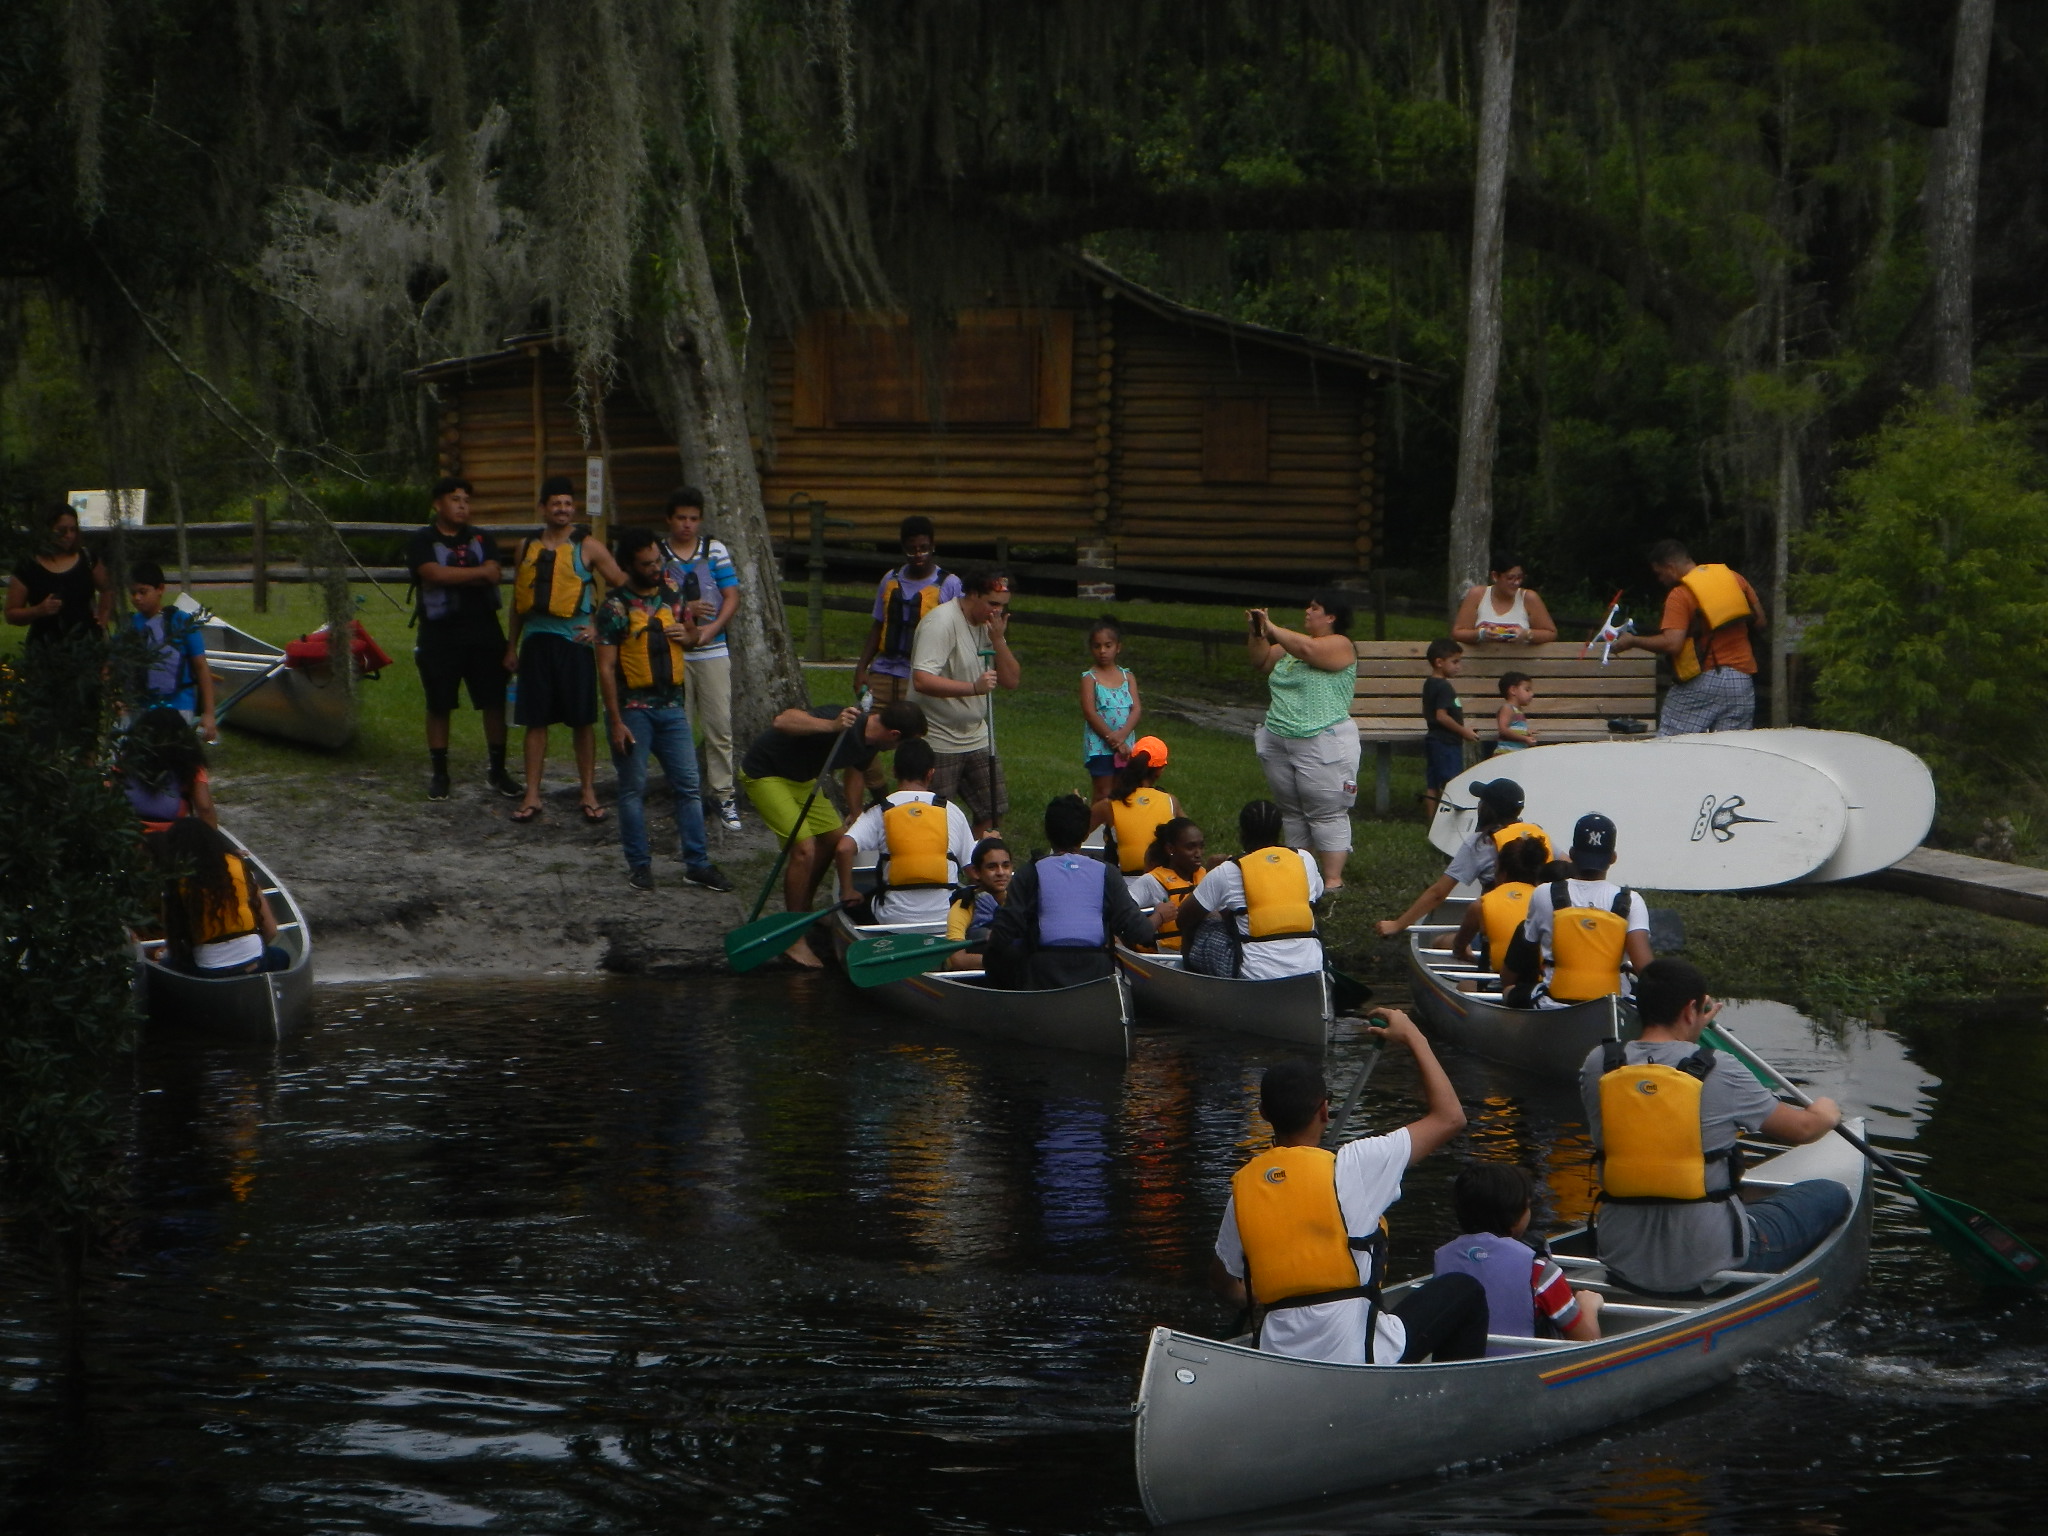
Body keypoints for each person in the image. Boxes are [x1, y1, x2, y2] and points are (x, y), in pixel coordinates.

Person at [1210, 1024, 1485, 1366]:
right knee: (1465, 1289)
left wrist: (1255, 1298)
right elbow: (1450, 1117)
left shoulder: (1244, 1189)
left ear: (1263, 1115)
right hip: (1357, 1355)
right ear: (1325, 1111)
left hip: (1278, 1357)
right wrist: (1415, 1036)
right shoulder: (1354, 1165)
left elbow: (1224, 1282)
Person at [1581, 959, 1850, 1295]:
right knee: (1833, 1194)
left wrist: (1690, 1026)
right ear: (1692, 1009)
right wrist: (1827, 1111)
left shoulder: (1600, 1064)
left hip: (1621, 1256)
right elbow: (1803, 1129)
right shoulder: (1719, 1068)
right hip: (1709, 1263)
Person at [594, 526, 733, 895]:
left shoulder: (671, 594)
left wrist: (685, 635)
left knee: (688, 786)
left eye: (658, 560)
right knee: (632, 789)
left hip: (672, 708)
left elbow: (692, 636)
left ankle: (697, 864)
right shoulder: (613, 608)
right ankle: (639, 866)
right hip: (632, 710)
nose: (657, 568)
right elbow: (606, 668)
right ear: (630, 566)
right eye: (648, 564)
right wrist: (617, 722)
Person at [738, 698, 927, 968]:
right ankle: (794, 938)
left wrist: (855, 812)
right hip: (766, 774)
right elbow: (783, 720)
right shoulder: (842, 717)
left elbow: (855, 774)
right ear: (894, 735)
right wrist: (830, 725)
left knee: (835, 839)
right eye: (900, 744)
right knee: (804, 849)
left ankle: (803, 909)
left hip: (803, 783)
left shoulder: (871, 743)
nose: (895, 750)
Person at [505, 475, 629, 824]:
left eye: (567, 503)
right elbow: (518, 601)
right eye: (555, 503)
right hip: (536, 643)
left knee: (582, 720)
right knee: (534, 720)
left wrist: (599, 626)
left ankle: (587, 791)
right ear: (543, 507)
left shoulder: (587, 546)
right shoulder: (525, 546)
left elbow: (622, 586)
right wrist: (511, 645)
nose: (562, 509)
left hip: (573, 643)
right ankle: (532, 794)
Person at [406, 476, 519, 801]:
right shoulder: (422, 540)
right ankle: (440, 774)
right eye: (455, 499)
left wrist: (463, 577)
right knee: (439, 703)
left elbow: (494, 573)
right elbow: (433, 574)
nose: (462, 506)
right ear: (437, 504)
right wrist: (476, 574)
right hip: (439, 633)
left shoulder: (483, 537)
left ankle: (497, 771)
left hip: (484, 631)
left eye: (466, 500)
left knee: (494, 700)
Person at [984, 794, 1158, 990]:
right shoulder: (1107, 873)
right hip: (1095, 973)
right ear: (1086, 834)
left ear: (1047, 832)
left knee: (994, 954)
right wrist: (1157, 917)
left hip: (1043, 974)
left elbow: (1005, 932)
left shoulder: (1030, 873)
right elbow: (1140, 932)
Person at [1248, 594, 1361, 895]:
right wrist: (1258, 632)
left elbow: (1310, 649)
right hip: (1279, 736)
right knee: (1292, 809)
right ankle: (1301, 873)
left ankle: (1333, 880)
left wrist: (1272, 628)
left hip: (1323, 738)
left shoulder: (1341, 645)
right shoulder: (1288, 649)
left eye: (1315, 608)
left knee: (1326, 809)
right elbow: (1260, 660)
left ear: (1331, 617)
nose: (1307, 612)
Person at [1433, 1162, 1602, 1349]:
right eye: (1527, 1206)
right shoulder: (1539, 1270)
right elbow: (1588, 1341)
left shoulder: (1443, 1260)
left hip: (1459, 1370)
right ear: (1515, 1218)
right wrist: (1588, 1305)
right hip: (1525, 1372)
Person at [1609, 539, 1766, 736]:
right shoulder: (1734, 579)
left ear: (1670, 567)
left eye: (1659, 573)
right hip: (1741, 680)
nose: (1660, 579)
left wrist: (1633, 641)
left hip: (1705, 678)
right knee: (1730, 751)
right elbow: (1760, 621)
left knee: (1672, 744)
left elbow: (1672, 643)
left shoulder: (1681, 595)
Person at [657, 488, 744, 831]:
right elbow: (652, 598)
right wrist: (683, 609)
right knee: (678, 725)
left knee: (719, 725)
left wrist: (713, 629)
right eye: (681, 518)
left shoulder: (715, 550)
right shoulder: (660, 554)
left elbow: (731, 596)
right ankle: (684, 795)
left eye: (693, 518)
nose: (687, 525)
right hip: (674, 648)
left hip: (712, 648)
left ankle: (724, 795)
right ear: (670, 519)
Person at [911, 568, 1020, 834]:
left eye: (1003, 606)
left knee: (992, 811)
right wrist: (973, 688)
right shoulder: (941, 623)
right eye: (992, 603)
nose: (996, 612)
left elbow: (1011, 680)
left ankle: (977, 867)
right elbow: (922, 679)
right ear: (972, 594)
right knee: (936, 817)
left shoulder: (989, 626)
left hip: (976, 736)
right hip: (938, 736)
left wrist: (998, 640)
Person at [1375, 778, 1549, 938]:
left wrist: (1398, 924)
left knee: (1441, 942)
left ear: (1487, 808)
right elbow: (1565, 866)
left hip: (1497, 929)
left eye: (1482, 801)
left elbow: (1438, 893)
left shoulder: (1479, 844)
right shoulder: (1536, 835)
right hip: (1537, 928)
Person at [1513, 813, 1653, 1008]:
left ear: (1572, 853)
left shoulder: (1544, 893)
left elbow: (1527, 949)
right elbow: (1644, 967)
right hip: (1611, 1007)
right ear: (1613, 858)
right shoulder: (1631, 901)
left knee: (1510, 991)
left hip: (1553, 1003)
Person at [1177, 800, 1324, 981]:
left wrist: (1210, 874)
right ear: (1279, 831)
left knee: (1202, 922)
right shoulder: (1305, 859)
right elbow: (1316, 900)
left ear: (1242, 834)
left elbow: (1183, 918)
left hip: (1254, 975)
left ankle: (1195, 987)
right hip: (1310, 968)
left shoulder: (1228, 870)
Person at [836, 738, 976, 927]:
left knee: (860, 902)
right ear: (930, 773)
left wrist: (847, 891)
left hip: (894, 920)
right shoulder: (951, 811)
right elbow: (972, 871)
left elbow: (844, 849)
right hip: (947, 920)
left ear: (894, 772)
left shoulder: (881, 810)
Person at [159, 816, 288, 976]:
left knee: (166, 963)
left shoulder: (177, 879)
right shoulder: (237, 865)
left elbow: (175, 942)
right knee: (281, 956)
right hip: (256, 961)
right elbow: (271, 931)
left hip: (209, 968)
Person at [124, 561, 217, 742]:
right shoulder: (129, 626)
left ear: (160, 589)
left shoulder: (181, 622)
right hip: (140, 705)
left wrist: (209, 714)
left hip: (179, 704)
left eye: (143, 592)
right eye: (133, 593)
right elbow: (116, 665)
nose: (137, 598)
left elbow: (201, 667)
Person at [7, 504, 109, 644]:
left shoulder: (87, 558)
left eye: (73, 530)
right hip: (45, 649)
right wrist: (38, 610)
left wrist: (103, 617)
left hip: (87, 647)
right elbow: (11, 613)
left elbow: (108, 588)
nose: (69, 536)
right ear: (46, 530)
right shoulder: (28, 565)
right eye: (61, 530)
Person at [1449, 833, 1548, 971]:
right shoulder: (1549, 902)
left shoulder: (1480, 905)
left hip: (1498, 978)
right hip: (1538, 980)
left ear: (1503, 873)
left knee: (1463, 983)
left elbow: (1459, 948)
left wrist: (1469, 958)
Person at [1089, 738, 1181, 884]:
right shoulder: (1171, 801)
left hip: (1122, 884)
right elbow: (1189, 835)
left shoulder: (1109, 804)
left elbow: (1075, 835)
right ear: (1159, 771)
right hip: (1164, 882)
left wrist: (1077, 810)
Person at [120, 705, 218, 833]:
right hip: (168, 838)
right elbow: (205, 809)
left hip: (128, 834)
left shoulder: (128, 759)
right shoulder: (191, 764)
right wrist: (216, 846)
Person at [1080, 617, 1142, 803]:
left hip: (1126, 744)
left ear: (1118, 647)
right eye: (1097, 646)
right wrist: (1113, 739)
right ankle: (1097, 830)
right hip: (1100, 746)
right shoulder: (1090, 678)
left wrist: (1123, 735)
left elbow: (1136, 708)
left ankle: (1117, 829)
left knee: (1123, 789)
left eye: (1108, 645)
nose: (1102, 651)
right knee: (1103, 791)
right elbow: (1090, 712)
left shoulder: (1127, 676)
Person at [1421, 638, 1483, 817]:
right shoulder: (1444, 687)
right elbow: (1442, 716)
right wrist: (1464, 731)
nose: (1459, 666)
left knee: (1432, 784)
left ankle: (1431, 821)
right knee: (1452, 782)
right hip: (1446, 742)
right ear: (1439, 662)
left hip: (1434, 739)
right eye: (1455, 662)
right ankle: (1448, 820)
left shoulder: (1430, 683)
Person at [1128, 816, 1206, 952]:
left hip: (1203, 954)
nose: (1198, 853)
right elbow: (1121, 915)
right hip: (1170, 959)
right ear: (1170, 848)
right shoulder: (1152, 881)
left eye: (1201, 846)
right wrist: (1158, 917)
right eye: (1190, 847)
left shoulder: (1206, 877)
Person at [1450, 553, 1559, 647]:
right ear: (1495, 576)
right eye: (1510, 578)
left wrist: (1527, 634)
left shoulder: (1528, 598)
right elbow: (1458, 632)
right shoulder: (1477, 595)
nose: (1516, 583)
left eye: (1519, 578)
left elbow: (1551, 633)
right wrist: (1480, 634)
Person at [944, 836, 1013, 970]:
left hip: (1011, 975)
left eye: (1006, 865)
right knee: (980, 934)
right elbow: (957, 959)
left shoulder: (1019, 901)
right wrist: (1007, 962)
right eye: (992, 867)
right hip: (979, 977)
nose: (1000, 872)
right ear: (976, 872)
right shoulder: (963, 905)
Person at [1494, 671, 1536, 754]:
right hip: (1505, 754)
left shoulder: (1519, 711)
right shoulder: (1507, 708)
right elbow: (1503, 730)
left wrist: (1525, 731)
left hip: (1515, 754)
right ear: (1513, 690)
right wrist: (1524, 738)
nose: (1532, 694)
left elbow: (1513, 727)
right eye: (1527, 690)